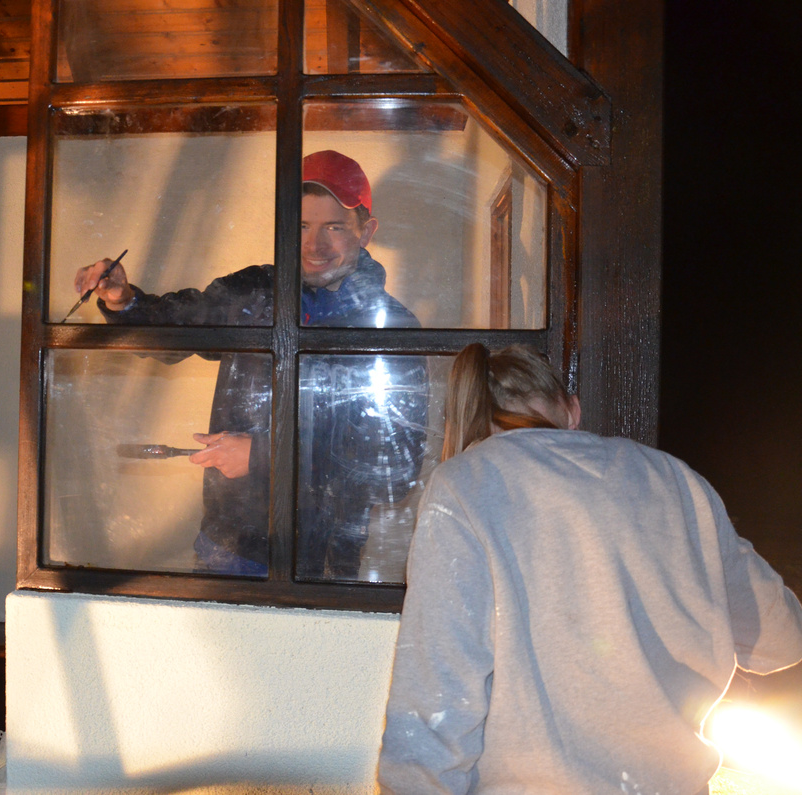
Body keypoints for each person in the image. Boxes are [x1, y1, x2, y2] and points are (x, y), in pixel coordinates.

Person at [377, 343, 802, 795]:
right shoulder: (678, 480)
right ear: (572, 411)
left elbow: (437, 690)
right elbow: (781, 638)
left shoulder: (465, 485)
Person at [72, 150, 428, 578]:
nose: (314, 245)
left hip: (321, 571)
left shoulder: (391, 327)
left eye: (333, 227)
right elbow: (177, 327)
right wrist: (123, 300)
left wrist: (263, 456)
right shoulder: (254, 291)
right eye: (301, 226)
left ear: (366, 231)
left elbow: (395, 472)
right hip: (225, 552)